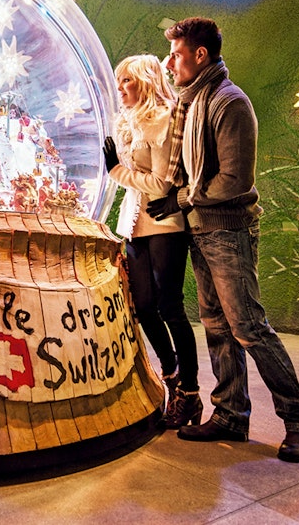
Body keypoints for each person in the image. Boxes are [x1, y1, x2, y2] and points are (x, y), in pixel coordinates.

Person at [145, 17, 299, 463]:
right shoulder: (191, 102)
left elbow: (235, 180)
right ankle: (230, 415)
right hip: (202, 228)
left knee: (248, 327)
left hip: (228, 229)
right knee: (218, 328)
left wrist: (182, 197)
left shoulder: (228, 102)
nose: (169, 63)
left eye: (177, 54)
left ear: (200, 55)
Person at [103, 54, 201, 428]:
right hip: (134, 224)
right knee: (142, 306)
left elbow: (162, 185)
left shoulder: (163, 120)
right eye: (118, 82)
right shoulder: (127, 121)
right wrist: (123, 173)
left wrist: (117, 172)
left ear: (144, 81)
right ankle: (172, 374)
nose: (120, 89)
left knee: (170, 307)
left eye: (126, 81)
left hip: (165, 225)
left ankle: (189, 394)